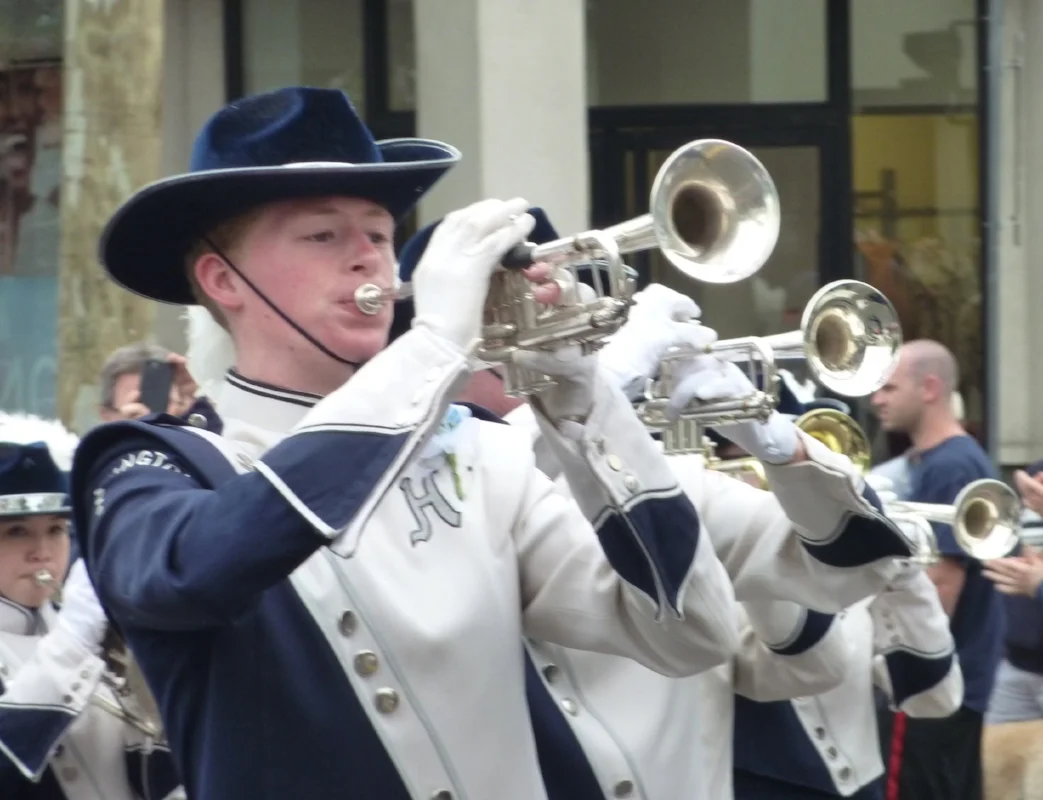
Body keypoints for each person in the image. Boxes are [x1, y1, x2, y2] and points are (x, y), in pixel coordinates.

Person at [70, 87, 744, 800]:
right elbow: (196, 571)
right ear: (221, 278)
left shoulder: (478, 452)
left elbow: (688, 630)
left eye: (379, 234)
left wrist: (583, 399)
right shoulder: (155, 466)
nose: (370, 262)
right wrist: (429, 348)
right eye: (323, 236)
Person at [362, 209, 919, 799]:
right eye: (509, 326)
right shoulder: (409, 492)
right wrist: (606, 385)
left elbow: (853, 580)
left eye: (556, 316)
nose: (542, 342)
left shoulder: (673, 481)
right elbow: (480, 482)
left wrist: (777, 445)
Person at [0, 412, 181, 800]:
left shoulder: (86, 633)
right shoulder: (75, 636)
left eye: (55, 529)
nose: (43, 553)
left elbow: (149, 767)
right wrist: (72, 643)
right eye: (17, 532)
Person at [869, 339, 1000, 800]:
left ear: (929, 388)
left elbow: (942, 584)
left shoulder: (951, 466)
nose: (876, 399)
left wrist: (886, 660)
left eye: (888, 386)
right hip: (955, 681)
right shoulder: (950, 460)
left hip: (930, 683)